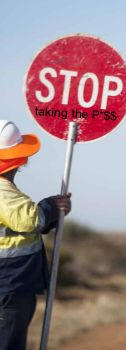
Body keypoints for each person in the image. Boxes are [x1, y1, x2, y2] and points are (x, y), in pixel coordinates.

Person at [0, 120, 72, 350]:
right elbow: (32, 220)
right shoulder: (3, 192)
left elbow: (21, 228)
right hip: (9, 286)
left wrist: (52, 215)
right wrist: (50, 206)